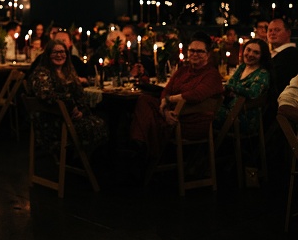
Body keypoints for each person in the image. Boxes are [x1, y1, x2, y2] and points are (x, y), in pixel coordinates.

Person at [129, 31, 223, 162]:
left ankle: (143, 151)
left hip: (191, 122)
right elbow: (166, 90)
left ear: (208, 55)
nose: (195, 54)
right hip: (173, 115)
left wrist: (168, 100)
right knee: (144, 99)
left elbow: (195, 95)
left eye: (200, 51)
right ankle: (141, 147)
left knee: (145, 119)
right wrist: (165, 110)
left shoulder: (212, 75)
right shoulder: (182, 70)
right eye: (192, 50)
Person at [28, 39, 108, 154]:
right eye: (55, 52)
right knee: (95, 126)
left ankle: (86, 160)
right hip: (54, 121)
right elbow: (46, 95)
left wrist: (80, 111)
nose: (59, 55)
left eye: (62, 52)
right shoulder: (41, 73)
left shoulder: (68, 71)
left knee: (102, 119)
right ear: (48, 55)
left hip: (69, 117)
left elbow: (79, 94)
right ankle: (83, 161)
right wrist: (71, 106)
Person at [213, 39, 271, 135]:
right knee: (204, 111)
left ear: (262, 56)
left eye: (256, 52)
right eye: (248, 50)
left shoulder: (263, 73)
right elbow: (230, 83)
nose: (250, 54)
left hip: (243, 118)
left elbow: (253, 93)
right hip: (231, 111)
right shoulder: (242, 67)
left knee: (206, 115)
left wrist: (230, 88)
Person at [265, 18, 298, 126]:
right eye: (270, 30)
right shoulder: (273, 54)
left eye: (277, 30)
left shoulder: (290, 55)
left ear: (288, 33)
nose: (272, 33)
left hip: (277, 110)